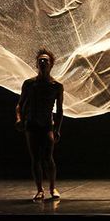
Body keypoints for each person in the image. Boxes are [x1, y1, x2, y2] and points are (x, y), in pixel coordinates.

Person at [15, 49, 64, 200]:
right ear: (37, 64)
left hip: (47, 125)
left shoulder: (56, 86)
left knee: (48, 157)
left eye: (46, 60)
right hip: (31, 124)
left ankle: (52, 187)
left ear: (51, 64)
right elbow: (19, 105)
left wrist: (57, 129)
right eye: (40, 60)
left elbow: (60, 109)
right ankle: (39, 189)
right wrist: (19, 119)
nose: (43, 62)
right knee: (35, 158)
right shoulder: (29, 84)